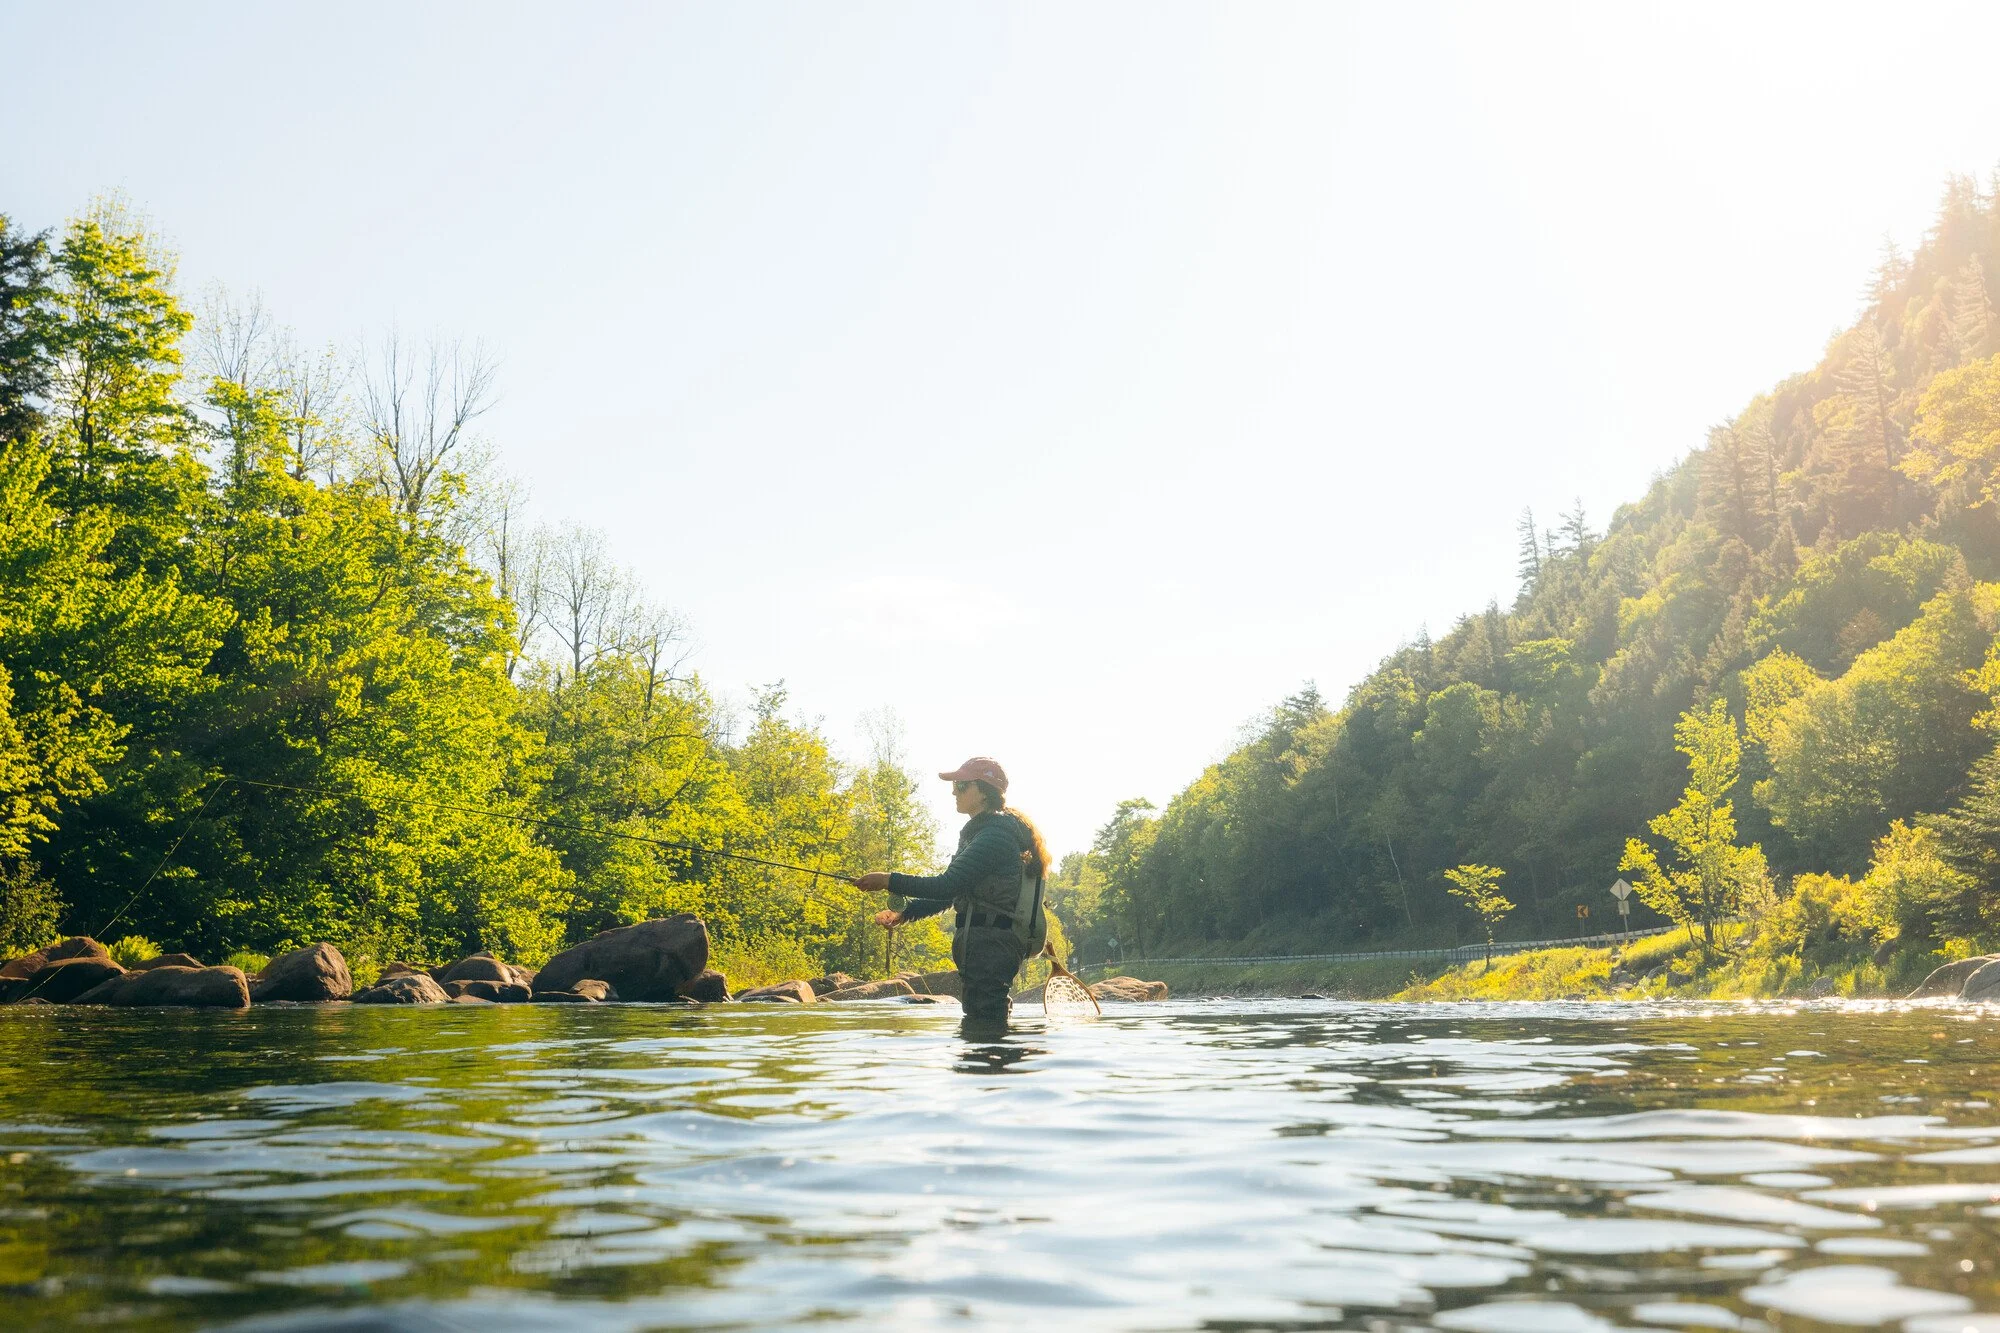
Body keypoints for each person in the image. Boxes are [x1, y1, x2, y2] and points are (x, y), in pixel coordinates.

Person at [852, 756, 1051, 1037]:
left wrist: (889, 880)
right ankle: (995, 1078)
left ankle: (993, 1079)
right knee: (983, 1020)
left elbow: (946, 885)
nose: (953, 791)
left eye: (960, 785)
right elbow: (953, 892)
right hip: (986, 945)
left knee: (984, 1023)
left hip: (992, 946)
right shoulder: (983, 833)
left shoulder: (995, 837)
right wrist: (905, 913)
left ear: (982, 791)